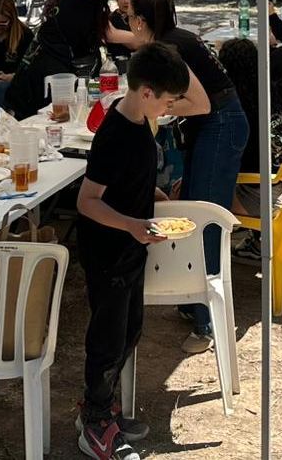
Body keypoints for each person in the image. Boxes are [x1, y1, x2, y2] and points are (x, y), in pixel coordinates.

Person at [74, 42, 189, 460]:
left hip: (130, 249)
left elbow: (130, 180)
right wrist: (133, 225)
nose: (171, 107)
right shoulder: (116, 134)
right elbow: (87, 202)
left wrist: (155, 194)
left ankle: (98, 407)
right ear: (145, 93)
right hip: (108, 250)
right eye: (168, 100)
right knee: (107, 339)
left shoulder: (141, 121)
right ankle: (95, 423)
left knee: (130, 330)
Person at [118, 0, 245, 352]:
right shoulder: (175, 38)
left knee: (202, 219)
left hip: (221, 127)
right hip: (221, 125)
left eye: (129, 20)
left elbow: (201, 103)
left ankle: (206, 323)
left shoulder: (170, 48)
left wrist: (158, 113)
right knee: (191, 207)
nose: (129, 27)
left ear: (140, 22)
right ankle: (195, 305)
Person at [4, 0, 138, 118]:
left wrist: (144, 38)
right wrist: (143, 8)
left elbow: (110, 34)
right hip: (44, 70)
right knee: (41, 117)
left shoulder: (91, 5)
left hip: (60, 68)